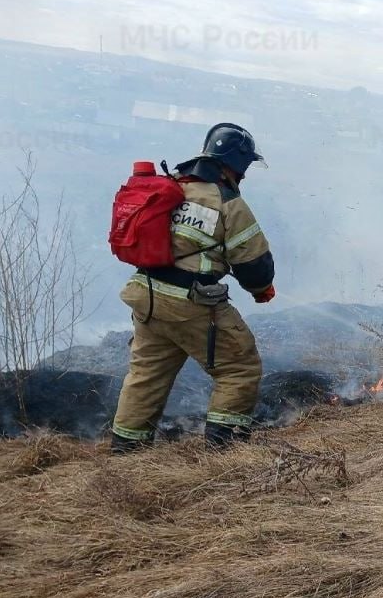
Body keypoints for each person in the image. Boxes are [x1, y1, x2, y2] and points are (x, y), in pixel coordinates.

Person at [110, 123, 276, 452]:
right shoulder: (227, 203)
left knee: (146, 375)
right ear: (237, 163)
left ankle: (125, 454)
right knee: (239, 367)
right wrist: (262, 288)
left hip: (147, 296)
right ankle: (225, 451)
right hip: (190, 303)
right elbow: (254, 265)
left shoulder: (170, 186)